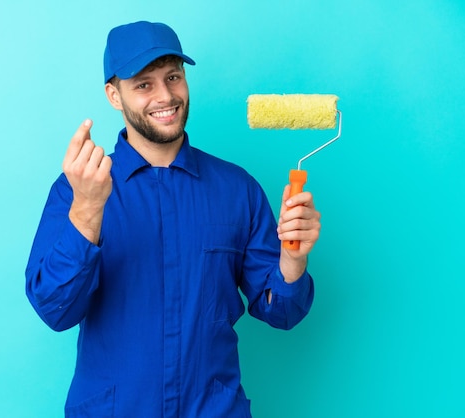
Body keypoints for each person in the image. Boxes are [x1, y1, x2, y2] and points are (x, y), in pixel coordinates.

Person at [25, 21, 320, 417]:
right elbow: (56, 311)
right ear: (114, 95)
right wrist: (88, 210)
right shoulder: (76, 189)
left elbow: (281, 312)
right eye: (144, 84)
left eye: (173, 77)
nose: (165, 95)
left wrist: (293, 261)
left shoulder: (237, 189)